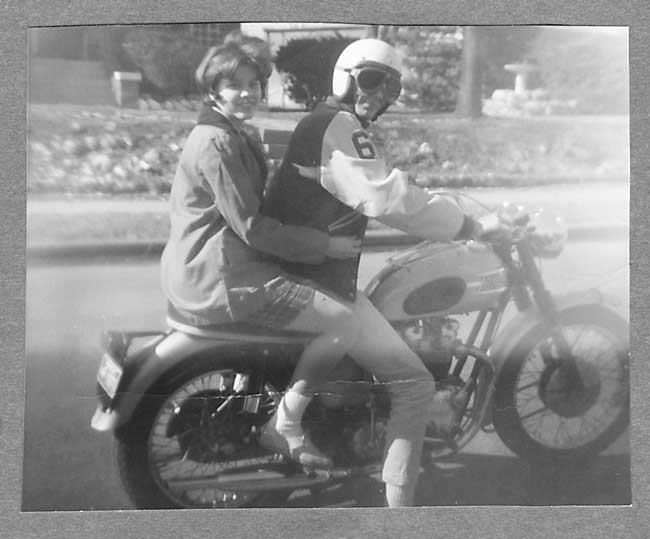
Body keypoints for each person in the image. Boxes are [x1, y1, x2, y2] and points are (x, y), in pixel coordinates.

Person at [260, 38, 496, 507]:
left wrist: (436, 202)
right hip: (319, 281)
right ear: (345, 78)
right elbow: (384, 197)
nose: (380, 94)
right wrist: (467, 224)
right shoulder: (338, 124)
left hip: (310, 272)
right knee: (415, 384)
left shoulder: (329, 121)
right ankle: (399, 511)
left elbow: (380, 185)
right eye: (371, 80)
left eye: (391, 86)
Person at [160, 33, 364, 470]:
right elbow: (252, 227)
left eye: (254, 84)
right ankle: (285, 423)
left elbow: (253, 189)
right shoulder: (218, 143)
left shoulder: (227, 131)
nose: (248, 93)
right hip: (224, 279)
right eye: (235, 85)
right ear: (214, 90)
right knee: (344, 323)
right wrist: (325, 244)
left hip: (204, 268)